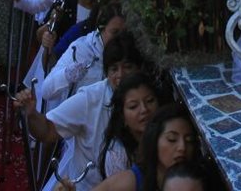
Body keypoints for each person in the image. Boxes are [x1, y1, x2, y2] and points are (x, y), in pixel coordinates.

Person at [14, 32, 144, 191]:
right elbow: (48, 130)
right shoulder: (90, 98)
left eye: (128, 67)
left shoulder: (150, 102)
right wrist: (32, 114)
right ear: (106, 73)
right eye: (114, 69)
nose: (121, 75)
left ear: (139, 69)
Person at [92, 105, 200, 191]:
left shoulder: (199, 182)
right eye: (172, 139)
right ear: (155, 140)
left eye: (189, 140)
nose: (182, 147)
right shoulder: (131, 182)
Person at [95, 73, 158, 182]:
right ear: (122, 116)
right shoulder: (117, 155)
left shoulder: (167, 135)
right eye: (133, 106)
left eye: (150, 101)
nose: (144, 109)